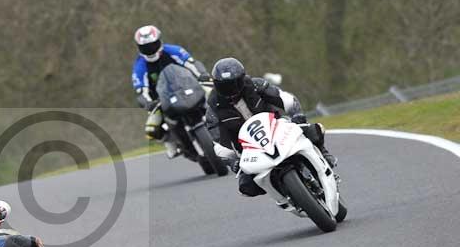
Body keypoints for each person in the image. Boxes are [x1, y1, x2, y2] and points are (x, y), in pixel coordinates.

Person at [204, 57, 337, 197]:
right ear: (216, 85)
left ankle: (323, 153)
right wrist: (232, 161)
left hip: (277, 128)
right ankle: (285, 193)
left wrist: (297, 115)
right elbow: (218, 143)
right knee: (247, 187)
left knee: (312, 130)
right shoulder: (213, 109)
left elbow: (286, 99)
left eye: (235, 83)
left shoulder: (256, 85)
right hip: (248, 149)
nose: (231, 90)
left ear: (242, 79)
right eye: (225, 86)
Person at [131, 25, 212, 159]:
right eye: (145, 47)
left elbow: (191, 63)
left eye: (152, 45)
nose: (150, 50)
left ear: (159, 41)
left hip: (188, 88)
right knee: (151, 129)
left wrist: (203, 75)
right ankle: (170, 142)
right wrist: (148, 103)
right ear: (139, 47)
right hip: (161, 100)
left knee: (212, 93)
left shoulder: (173, 50)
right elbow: (141, 91)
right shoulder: (140, 66)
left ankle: (224, 122)